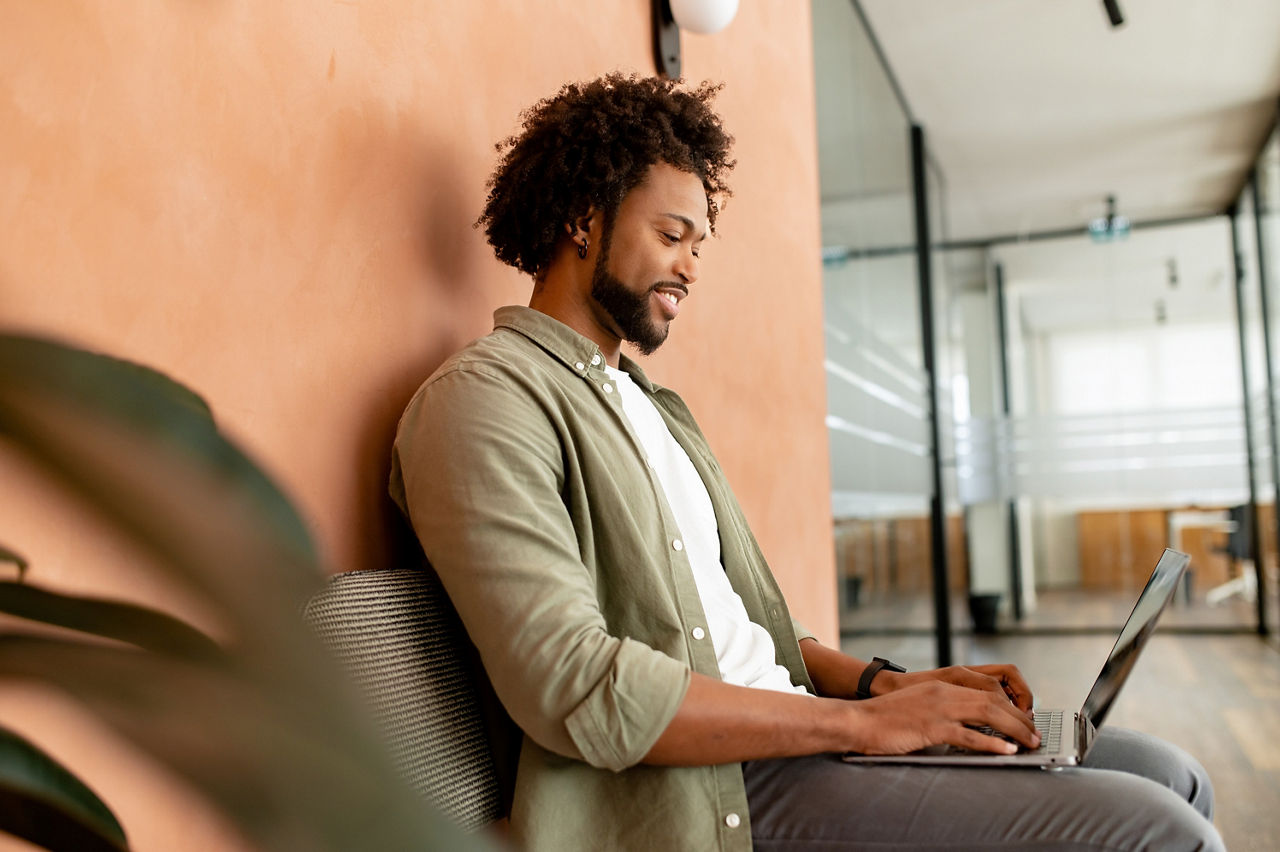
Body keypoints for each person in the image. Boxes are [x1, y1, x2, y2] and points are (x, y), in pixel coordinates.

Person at [389, 74, 1222, 851]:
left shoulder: (649, 406)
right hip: (716, 789)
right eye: (671, 234)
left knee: (1170, 775)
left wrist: (882, 687)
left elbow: (742, 630)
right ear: (581, 217)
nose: (688, 267)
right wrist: (865, 728)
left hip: (799, 733)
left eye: (698, 244)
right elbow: (575, 685)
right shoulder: (484, 402)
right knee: (1159, 829)